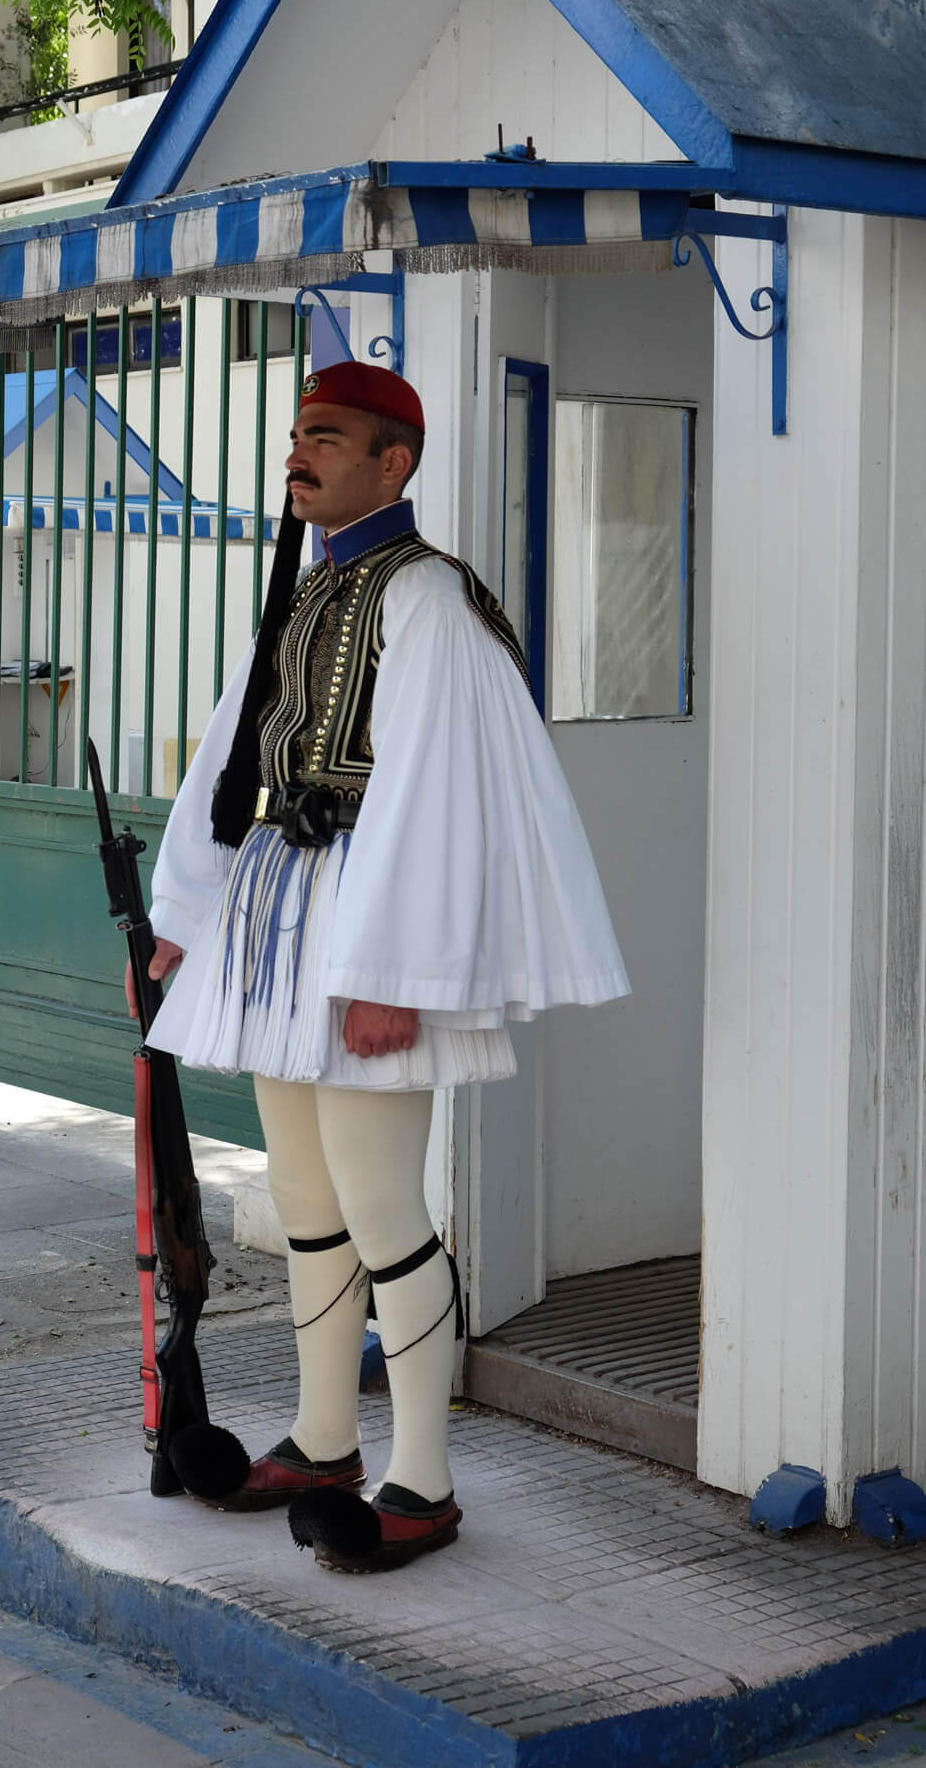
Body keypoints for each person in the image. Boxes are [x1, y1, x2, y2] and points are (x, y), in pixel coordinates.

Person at [124, 359, 628, 1574]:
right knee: (304, 1202)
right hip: (280, 916)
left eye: (328, 439)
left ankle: (423, 1482)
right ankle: (322, 1441)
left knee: (386, 1209)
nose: (299, 455)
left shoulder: (430, 601)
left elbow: (435, 795)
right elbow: (233, 755)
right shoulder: (304, 590)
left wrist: (394, 968)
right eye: (297, 436)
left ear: (393, 463)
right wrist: (183, 910)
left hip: (368, 924)